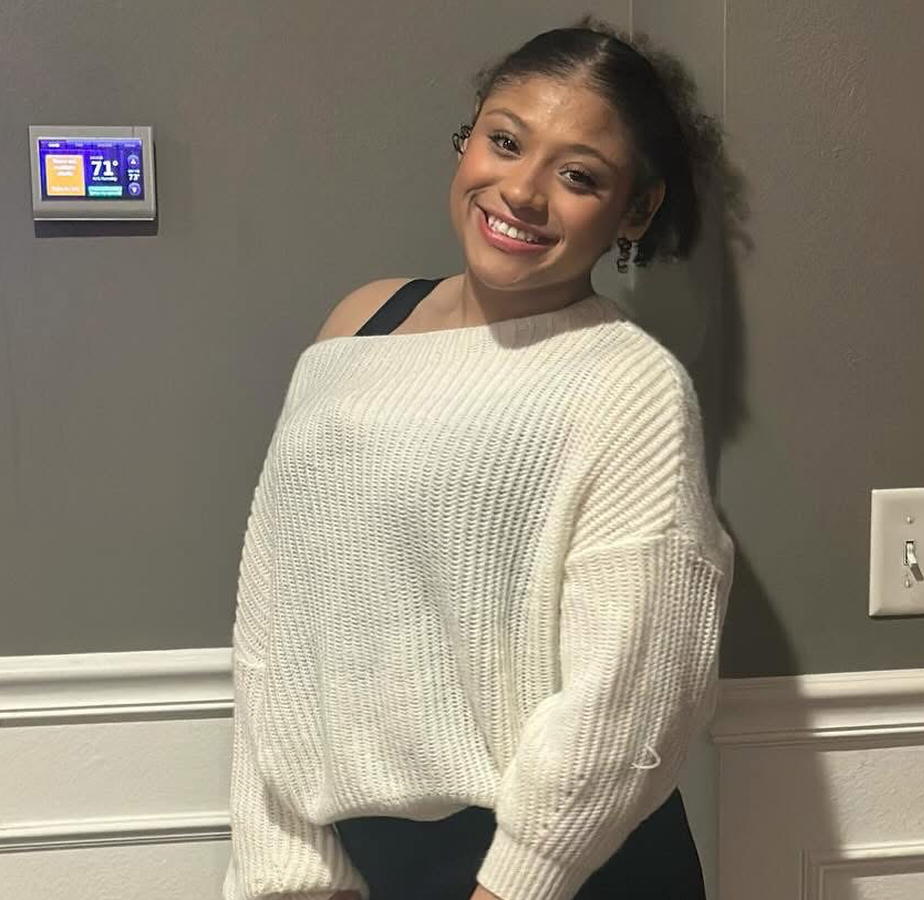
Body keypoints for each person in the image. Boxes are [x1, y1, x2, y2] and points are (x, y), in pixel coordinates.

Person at [223, 14, 733, 900]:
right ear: (469, 140)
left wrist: (518, 882)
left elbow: (635, 692)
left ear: (635, 209)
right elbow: (275, 616)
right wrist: (283, 866)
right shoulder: (360, 323)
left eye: (579, 175)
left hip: (560, 870)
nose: (522, 191)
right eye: (505, 141)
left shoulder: (628, 384)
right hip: (364, 858)